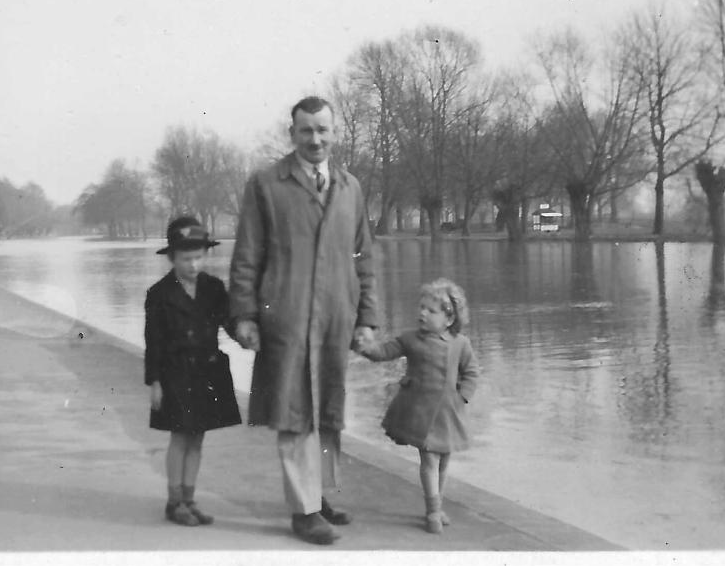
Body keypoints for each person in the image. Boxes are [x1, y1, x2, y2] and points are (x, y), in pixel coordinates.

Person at [228, 96, 379, 545]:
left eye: (323, 130)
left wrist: (367, 317)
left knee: (328, 408)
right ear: (291, 133)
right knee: (294, 412)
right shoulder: (266, 184)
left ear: (335, 133)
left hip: (336, 315)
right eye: (306, 130)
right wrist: (245, 315)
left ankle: (319, 495)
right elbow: (247, 255)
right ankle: (303, 510)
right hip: (287, 316)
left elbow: (364, 257)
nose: (315, 139)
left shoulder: (350, 187)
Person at [354, 278, 480, 534]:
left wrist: (462, 397)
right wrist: (363, 347)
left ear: (449, 318)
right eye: (421, 307)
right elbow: (382, 352)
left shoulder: (460, 344)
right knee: (430, 461)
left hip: (449, 413)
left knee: (444, 462)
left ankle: (438, 504)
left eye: (431, 310)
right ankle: (432, 511)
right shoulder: (410, 339)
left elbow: (472, 373)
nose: (422, 313)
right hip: (420, 413)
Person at [145, 216, 242, 527]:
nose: (193, 265)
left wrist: (248, 334)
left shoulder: (214, 288)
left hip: (207, 374)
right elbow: (154, 342)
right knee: (180, 437)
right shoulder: (159, 294)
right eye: (186, 259)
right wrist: (155, 382)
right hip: (174, 375)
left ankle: (189, 498)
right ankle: (174, 503)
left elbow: (230, 322)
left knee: (198, 437)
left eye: (199, 257)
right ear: (172, 258)